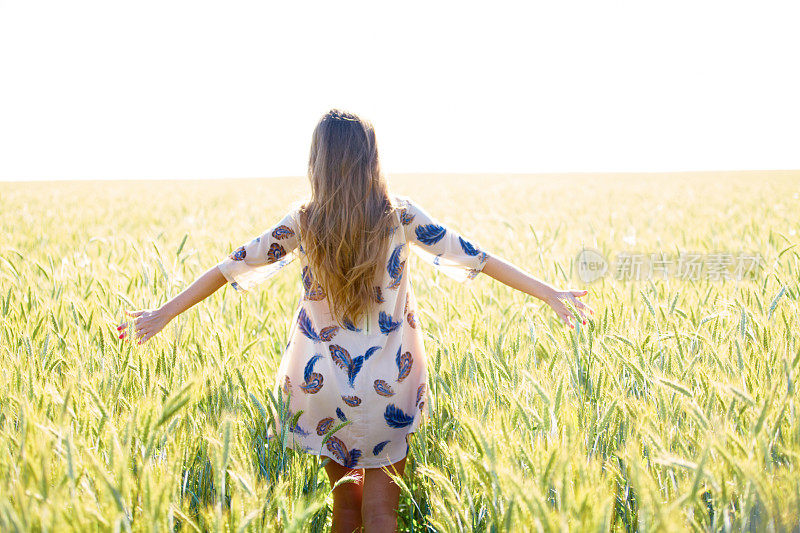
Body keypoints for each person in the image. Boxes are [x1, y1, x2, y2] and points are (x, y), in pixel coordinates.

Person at [117, 108, 593, 532]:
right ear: (372, 159)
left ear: (317, 162)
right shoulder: (398, 214)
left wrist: (163, 313)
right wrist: (549, 293)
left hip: (323, 384)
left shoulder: (304, 221)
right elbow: (478, 258)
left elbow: (229, 267)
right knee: (383, 515)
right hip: (391, 381)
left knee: (344, 512)